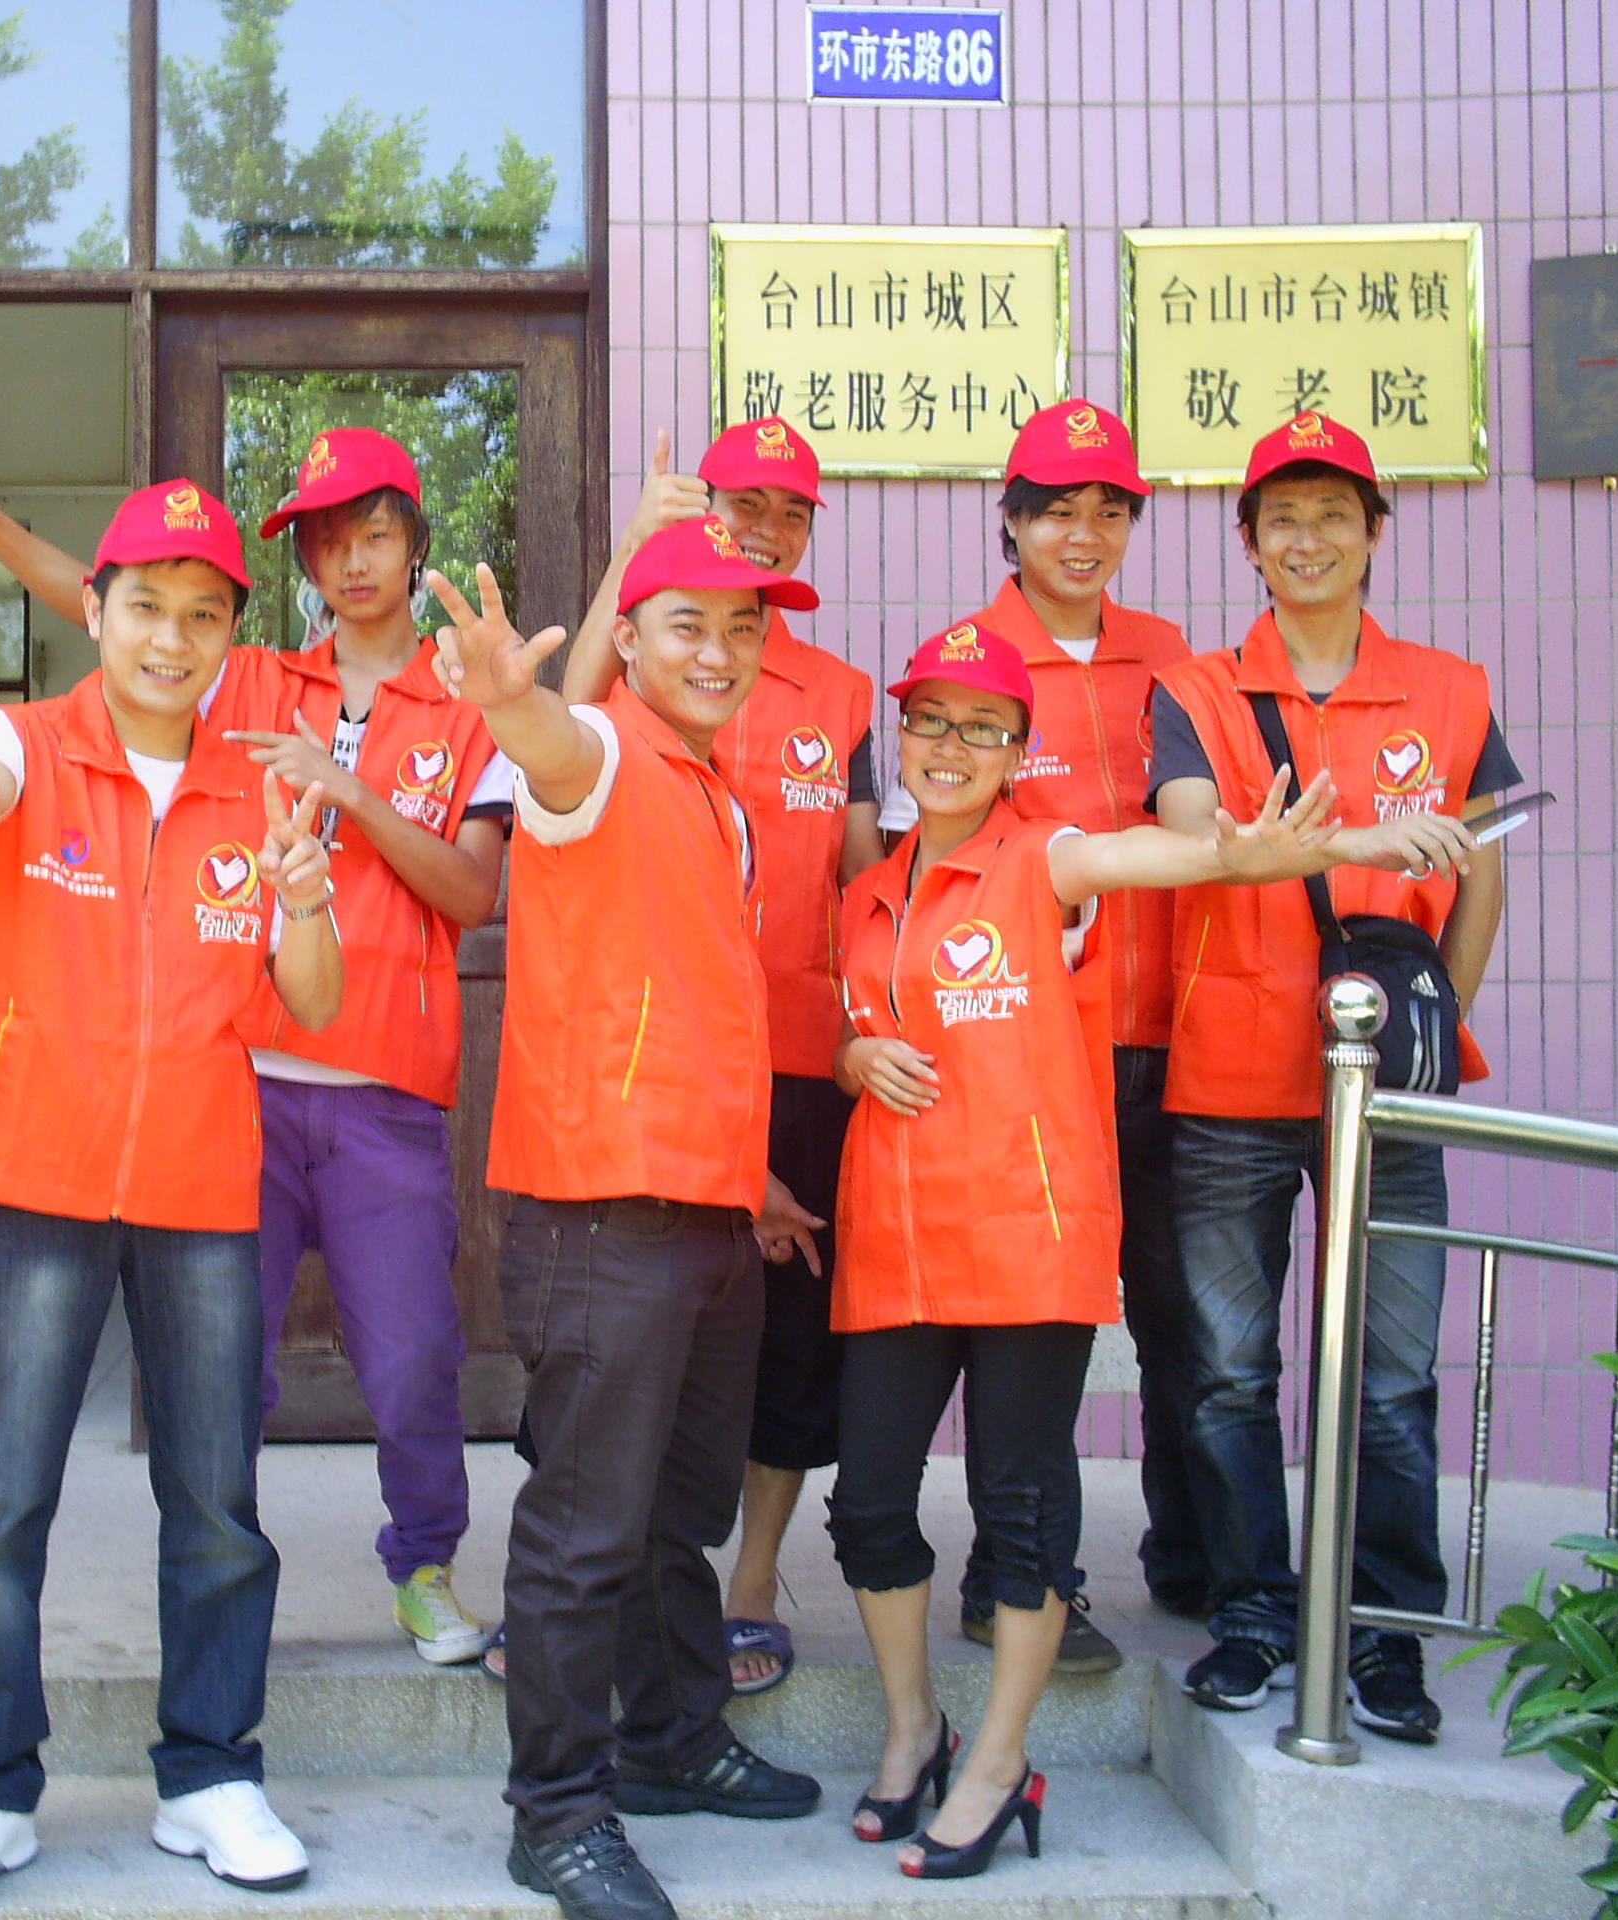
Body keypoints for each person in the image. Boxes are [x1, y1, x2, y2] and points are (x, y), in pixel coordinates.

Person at [0, 412, 511, 1666]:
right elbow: (125, 608)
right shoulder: (257, 677)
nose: (350, 561)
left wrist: (347, 793)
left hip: (384, 1085)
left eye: (374, 534)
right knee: (225, 1373)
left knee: (413, 1358)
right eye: (324, 541)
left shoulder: (468, 703)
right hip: (240, 1086)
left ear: (412, 542)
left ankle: (424, 1564)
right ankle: (229, 1580)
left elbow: (470, 890)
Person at [829, 620, 1346, 1880]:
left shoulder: (1043, 857)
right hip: (896, 1239)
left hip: (1026, 1233)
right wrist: (852, 1057)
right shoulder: (867, 892)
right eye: (930, 721)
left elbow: (1132, 852)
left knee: (1019, 1511)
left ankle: (1000, 1762)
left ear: (1018, 753)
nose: (950, 747)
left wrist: (1232, 853)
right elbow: (853, 1023)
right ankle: (913, 1727)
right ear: (903, 734)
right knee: (870, 1504)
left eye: (983, 729)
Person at [0, 480, 341, 1908]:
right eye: (145, 605)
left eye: (203, 614)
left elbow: (313, 1002)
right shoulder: (20, 748)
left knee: (217, 1503)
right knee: (0, 1501)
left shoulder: (259, 788)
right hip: (34, 1176)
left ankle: (211, 1774)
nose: (170, 638)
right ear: (94, 608)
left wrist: (308, 896)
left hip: (201, 1186)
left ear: (229, 636)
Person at [428, 519, 827, 1920]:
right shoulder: (600, 753)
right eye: (687, 627)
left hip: (709, 1214)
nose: (719, 652)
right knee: (584, 1529)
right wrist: (511, 701)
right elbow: (553, 744)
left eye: (743, 628)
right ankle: (556, 1815)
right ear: (636, 641)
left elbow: (689, 999)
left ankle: (671, 1740)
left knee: (675, 1515)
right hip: (602, 1212)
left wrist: (751, 1178)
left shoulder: (719, 795)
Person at [1149, 412, 1522, 1743]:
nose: (1306, 538)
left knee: (1391, 1377)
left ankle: (1382, 1631)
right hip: (1230, 1077)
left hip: (1390, 1098)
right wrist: (1363, 839)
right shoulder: (1197, 692)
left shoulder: (1452, 691)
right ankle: (1255, 1610)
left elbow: (1480, 878)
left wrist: (1436, 1025)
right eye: (1281, 518)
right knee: (1228, 1371)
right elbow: (1199, 839)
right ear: (1248, 543)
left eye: (1332, 514)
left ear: (1373, 531)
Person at [557, 418, 882, 1695]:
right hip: (645, 1062)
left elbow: (863, 876)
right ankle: (591, 1584)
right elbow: (557, 728)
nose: (766, 530)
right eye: (744, 505)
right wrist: (626, 550)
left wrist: (875, 1020)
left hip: (793, 1057)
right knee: (620, 1340)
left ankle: (747, 1582)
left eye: (790, 514)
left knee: (785, 1339)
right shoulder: (647, 661)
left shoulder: (840, 695)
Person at [877, 401, 1202, 1671]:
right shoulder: (968, 666)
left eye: (1109, 510)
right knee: (1025, 1319)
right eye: (1057, 509)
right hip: (1020, 1053)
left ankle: (1189, 1561)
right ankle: (1026, 1577)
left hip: (1168, 1035)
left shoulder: (1170, 656)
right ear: (1009, 522)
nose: (1084, 533)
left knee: (1176, 1318)